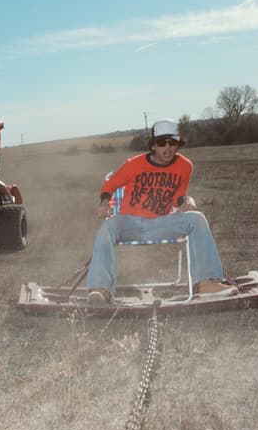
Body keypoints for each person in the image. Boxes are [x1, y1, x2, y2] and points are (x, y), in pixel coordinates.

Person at [86, 118, 235, 305]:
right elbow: (110, 184)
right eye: (161, 142)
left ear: (178, 144)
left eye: (172, 142)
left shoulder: (185, 166)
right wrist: (105, 203)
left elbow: (178, 196)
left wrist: (185, 201)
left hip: (160, 223)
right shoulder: (134, 164)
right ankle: (100, 289)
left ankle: (205, 283)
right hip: (129, 222)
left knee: (197, 219)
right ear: (153, 146)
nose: (167, 147)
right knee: (106, 228)